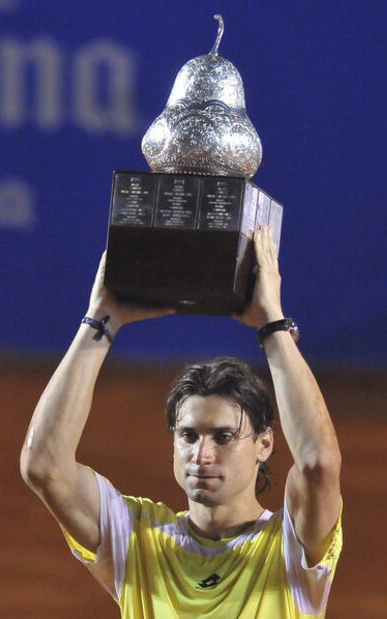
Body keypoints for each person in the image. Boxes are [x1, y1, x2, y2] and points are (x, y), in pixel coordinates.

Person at [20, 225, 342, 618]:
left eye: (224, 436)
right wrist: (100, 321)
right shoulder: (137, 540)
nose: (202, 455)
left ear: (265, 443)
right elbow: (43, 465)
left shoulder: (291, 545)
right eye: (188, 435)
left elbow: (319, 464)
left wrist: (272, 325)